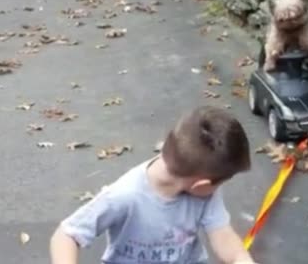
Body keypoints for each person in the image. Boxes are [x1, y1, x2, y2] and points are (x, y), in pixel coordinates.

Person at [49, 105, 257, 264]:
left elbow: (223, 236)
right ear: (200, 184)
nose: (218, 188)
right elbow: (66, 235)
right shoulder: (125, 195)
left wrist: (242, 259)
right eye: (221, 182)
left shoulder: (205, 194)